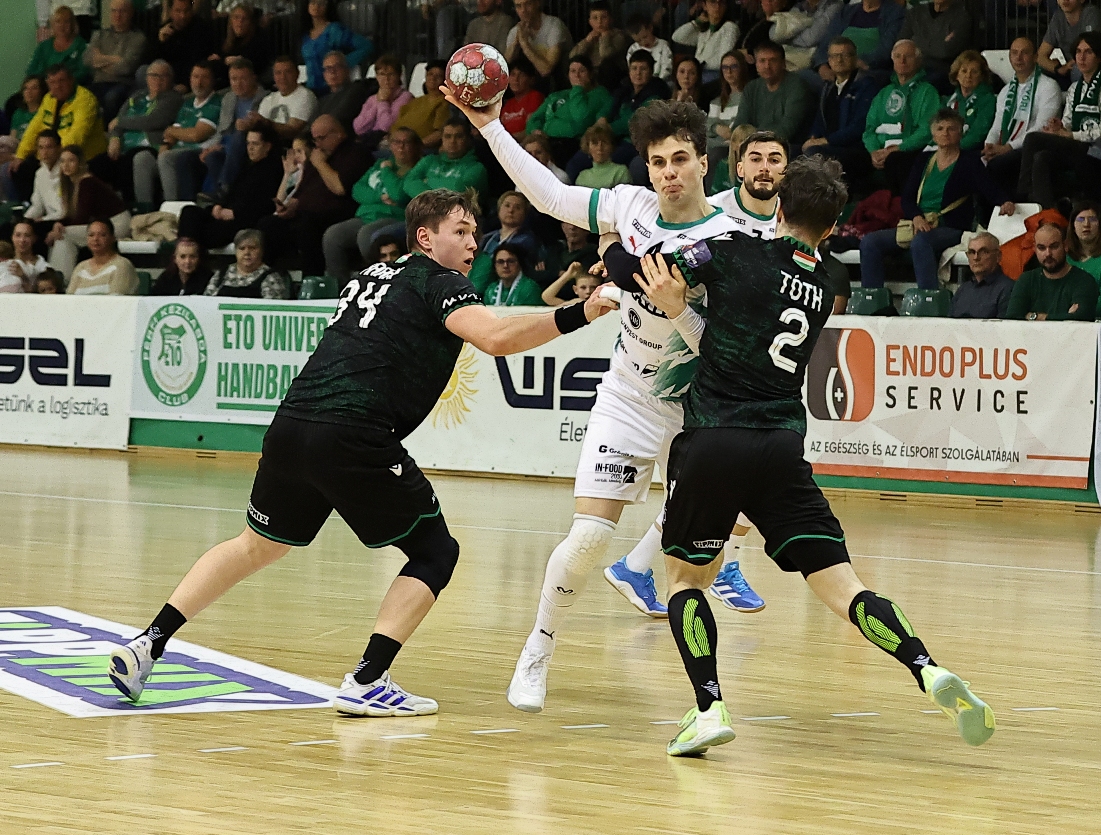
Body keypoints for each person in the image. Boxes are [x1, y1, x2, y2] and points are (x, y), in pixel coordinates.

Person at [105, 188, 617, 718]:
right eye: (461, 232)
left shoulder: (370, 274)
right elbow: (496, 338)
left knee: (256, 544)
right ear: (425, 237)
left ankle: (149, 642)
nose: (473, 244)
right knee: (435, 553)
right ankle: (368, 680)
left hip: (292, 424)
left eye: (474, 233)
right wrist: (583, 312)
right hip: (353, 432)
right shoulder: (441, 281)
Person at [601, 155, 995, 756]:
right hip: (782, 448)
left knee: (684, 580)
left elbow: (642, 273)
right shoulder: (824, 286)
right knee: (845, 588)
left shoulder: (732, 250)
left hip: (715, 439)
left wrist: (609, 243)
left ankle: (708, 708)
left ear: (778, 208)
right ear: (833, 227)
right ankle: (926, 667)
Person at [445, 92, 770, 711]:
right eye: (658, 162)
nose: (669, 173)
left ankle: (705, 697)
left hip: (701, 410)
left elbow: (722, 336)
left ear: (704, 163)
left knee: (697, 559)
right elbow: (549, 194)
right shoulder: (630, 204)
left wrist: (641, 278)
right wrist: (490, 127)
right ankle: (538, 648)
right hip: (630, 397)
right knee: (590, 536)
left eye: (680, 159)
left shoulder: (733, 239)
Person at [860, 109, 1014, 290]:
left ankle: (929, 297)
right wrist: (917, 218)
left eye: (951, 129)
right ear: (933, 134)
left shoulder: (969, 161)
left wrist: (1004, 201)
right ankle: (872, 297)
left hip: (950, 227)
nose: (945, 133)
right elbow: (907, 198)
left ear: (960, 133)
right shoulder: (924, 160)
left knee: (921, 242)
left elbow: (989, 187)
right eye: (940, 129)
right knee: (870, 242)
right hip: (919, 225)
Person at [257, 115, 370, 276]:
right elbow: (302, 191)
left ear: (338, 133)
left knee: (306, 225)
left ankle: (311, 279)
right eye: (314, 139)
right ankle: (271, 279)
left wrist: (321, 164)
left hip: (336, 212)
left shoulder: (355, 153)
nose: (317, 144)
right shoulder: (318, 155)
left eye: (321, 138)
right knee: (268, 224)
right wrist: (290, 207)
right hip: (304, 213)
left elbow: (339, 188)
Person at [322, 127, 422, 282]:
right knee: (332, 236)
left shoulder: (418, 168)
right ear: (390, 145)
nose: (401, 147)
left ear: (415, 146)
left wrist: (387, 171)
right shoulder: (380, 164)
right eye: (396, 142)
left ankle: (373, 282)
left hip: (394, 216)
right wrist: (379, 196)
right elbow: (357, 190)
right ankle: (340, 287)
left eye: (406, 142)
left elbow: (399, 195)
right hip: (367, 215)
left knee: (366, 235)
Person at [1017, 33, 1101, 209]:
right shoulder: (1074, 88)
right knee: (1041, 158)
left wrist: (1071, 135)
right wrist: (1059, 127)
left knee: (1033, 139)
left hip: (1095, 150)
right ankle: (1047, 213)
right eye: (1078, 51)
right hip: (1077, 148)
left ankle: (1023, 194)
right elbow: (1067, 122)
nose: (1081, 57)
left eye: (1088, 52)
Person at [981, 38, 1063, 198]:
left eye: (1024, 53)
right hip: (1006, 148)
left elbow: (1041, 128)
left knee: (998, 165)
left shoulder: (1048, 86)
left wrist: (1009, 147)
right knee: (973, 163)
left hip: (1034, 148)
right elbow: (997, 125)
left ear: (1035, 57)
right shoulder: (1005, 91)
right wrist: (989, 146)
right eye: (1014, 53)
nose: (1018, 58)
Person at [178, 125, 284, 249]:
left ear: (267, 146)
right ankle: (185, 250)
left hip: (243, 220)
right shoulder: (247, 166)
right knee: (189, 212)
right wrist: (219, 206)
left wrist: (235, 213)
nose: (250, 148)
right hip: (226, 213)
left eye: (255, 144)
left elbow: (266, 205)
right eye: (248, 143)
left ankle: (189, 251)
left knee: (205, 231)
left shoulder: (274, 171)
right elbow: (232, 192)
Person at [101, 60, 184, 209]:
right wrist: (114, 138)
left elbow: (152, 121)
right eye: (154, 75)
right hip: (124, 144)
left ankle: (137, 207)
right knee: (98, 162)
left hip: (150, 146)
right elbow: (116, 123)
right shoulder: (137, 96)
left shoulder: (173, 98)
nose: (158, 80)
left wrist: (120, 121)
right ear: (146, 78)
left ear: (171, 79)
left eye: (163, 76)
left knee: (130, 159)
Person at [862, 40, 940, 194]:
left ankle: (898, 205)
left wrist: (899, 148)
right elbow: (869, 130)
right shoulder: (884, 93)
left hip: (909, 151)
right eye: (898, 56)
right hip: (881, 151)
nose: (902, 61)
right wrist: (874, 152)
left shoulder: (928, 92)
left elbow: (927, 130)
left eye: (908, 56)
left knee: (895, 160)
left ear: (918, 61)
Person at [48, 145, 132, 281]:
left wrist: (59, 230)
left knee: (63, 236)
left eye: (71, 161)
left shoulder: (87, 182)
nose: (66, 165)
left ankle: (60, 280)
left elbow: (82, 217)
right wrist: (59, 224)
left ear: (80, 163)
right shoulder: (72, 184)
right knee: (60, 235)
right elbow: (73, 215)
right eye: (62, 161)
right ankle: (57, 278)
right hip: (102, 224)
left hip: (117, 224)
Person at [802, 37, 877, 187]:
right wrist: (813, 137)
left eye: (845, 55)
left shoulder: (866, 86)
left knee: (815, 153)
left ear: (855, 58)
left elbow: (859, 127)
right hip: (828, 146)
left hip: (854, 150)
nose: (839, 60)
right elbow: (819, 120)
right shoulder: (828, 88)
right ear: (829, 60)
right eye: (834, 56)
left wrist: (826, 141)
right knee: (788, 151)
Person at [13, 65, 108, 182]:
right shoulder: (48, 99)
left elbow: (77, 134)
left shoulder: (85, 100)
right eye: (52, 82)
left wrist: (55, 156)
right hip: (53, 153)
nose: (57, 86)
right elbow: (34, 127)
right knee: (19, 169)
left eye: (61, 81)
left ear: (71, 80)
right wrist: (21, 155)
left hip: (85, 157)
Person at [198, 58, 268, 204]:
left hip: (251, 142)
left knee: (240, 134)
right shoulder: (228, 98)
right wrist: (212, 146)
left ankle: (225, 188)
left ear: (253, 78)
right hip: (228, 143)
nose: (238, 84)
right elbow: (222, 130)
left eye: (243, 79)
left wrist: (249, 125)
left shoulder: (265, 98)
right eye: (234, 79)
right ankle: (223, 197)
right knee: (212, 156)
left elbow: (264, 128)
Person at [525, 56, 614, 166]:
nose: (577, 75)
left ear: (590, 74)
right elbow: (534, 119)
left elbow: (581, 118)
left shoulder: (599, 94)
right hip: (545, 141)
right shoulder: (557, 95)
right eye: (573, 71)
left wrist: (577, 89)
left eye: (582, 71)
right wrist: (535, 130)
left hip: (572, 143)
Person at [157, 61, 222, 201]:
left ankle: (172, 206)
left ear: (213, 81)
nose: (199, 82)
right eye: (195, 77)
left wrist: (170, 130)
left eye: (204, 77)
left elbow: (196, 135)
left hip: (198, 151)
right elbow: (172, 133)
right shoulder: (187, 103)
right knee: (143, 158)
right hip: (177, 149)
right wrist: (166, 144)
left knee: (166, 158)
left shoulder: (217, 102)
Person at [1006, 221, 1098, 319]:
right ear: (1034, 249)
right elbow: (1012, 318)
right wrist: (1065, 317)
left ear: (1065, 246)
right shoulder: (1026, 279)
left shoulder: (1084, 281)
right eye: (1041, 248)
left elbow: (1080, 318)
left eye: (1054, 247)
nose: (1048, 254)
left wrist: (1034, 317)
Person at [733, 41, 814, 145]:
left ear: (783, 63)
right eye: (762, 61)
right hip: (752, 145)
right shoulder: (751, 87)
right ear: (756, 65)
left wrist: (754, 140)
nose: (767, 66)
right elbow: (739, 126)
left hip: (786, 146)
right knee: (719, 152)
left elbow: (787, 130)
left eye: (773, 60)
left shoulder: (797, 86)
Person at [811, 0, 905, 82]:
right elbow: (824, 44)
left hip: (867, 72)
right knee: (804, 77)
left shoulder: (895, 12)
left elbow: (886, 49)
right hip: (834, 71)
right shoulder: (846, 11)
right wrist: (822, 66)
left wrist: (852, 62)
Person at [84, 0, 147, 118]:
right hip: (98, 82)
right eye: (114, 11)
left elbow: (126, 67)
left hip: (122, 84)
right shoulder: (99, 35)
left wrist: (100, 60)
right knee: (82, 96)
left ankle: (111, 128)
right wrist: (115, 59)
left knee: (111, 98)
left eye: (122, 11)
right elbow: (87, 60)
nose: (117, 15)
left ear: (130, 13)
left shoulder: (138, 38)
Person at [403, 120, 489, 206]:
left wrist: (427, 182)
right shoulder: (429, 160)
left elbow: (457, 192)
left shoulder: (477, 168)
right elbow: (408, 182)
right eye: (448, 136)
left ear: (468, 139)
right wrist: (445, 187)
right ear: (442, 139)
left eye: (459, 136)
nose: (452, 141)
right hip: (424, 212)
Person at [299, 0, 373, 96]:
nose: (316, 6)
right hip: (311, 90)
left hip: (331, 89)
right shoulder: (305, 34)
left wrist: (343, 62)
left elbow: (366, 46)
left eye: (321, 3)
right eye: (313, 2)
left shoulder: (335, 30)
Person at [897, 0, 972, 90]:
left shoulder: (961, 17)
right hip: (911, 66)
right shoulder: (915, 12)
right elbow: (901, 44)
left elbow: (945, 51)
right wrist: (939, 42)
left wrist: (915, 40)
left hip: (941, 71)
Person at [203, 227, 288, 298]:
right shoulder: (221, 274)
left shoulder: (271, 277)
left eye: (252, 248)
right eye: (242, 248)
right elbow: (207, 301)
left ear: (261, 251)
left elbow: (271, 310)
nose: (246, 252)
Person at [253, 55, 318, 144]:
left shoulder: (305, 96)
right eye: (278, 73)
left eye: (288, 72)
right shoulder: (268, 99)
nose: (283, 77)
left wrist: (266, 123)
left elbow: (292, 130)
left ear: (297, 74)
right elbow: (260, 129)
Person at [156, 0, 219, 92]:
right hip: (165, 78)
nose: (183, 16)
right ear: (170, 11)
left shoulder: (201, 28)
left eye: (186, 11)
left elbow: (197, 60)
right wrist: (160, 42)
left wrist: (185, 84)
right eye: (178, 11)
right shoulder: (164, 30)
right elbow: (153, 61)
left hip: (189, 80)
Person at [949, 232, 1015, 318]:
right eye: (972, 252)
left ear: (998, 256)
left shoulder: (1008, 289)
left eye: (984, 252)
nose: (976, 258)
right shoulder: (963, 289)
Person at [66, 217, 139, 295]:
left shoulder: (122, 265)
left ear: (112, 238)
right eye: (91, 235)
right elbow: (69, 297)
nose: (95, 239)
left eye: (102, 235)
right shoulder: (81, 267)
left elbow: (117, 298)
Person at [352, 54, 413, 148]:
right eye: (382, 74)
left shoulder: (405, 97)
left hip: (389, 145)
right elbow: (358, 128)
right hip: (369, 142)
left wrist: (383, 102)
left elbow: (386, 127)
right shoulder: (372, 99)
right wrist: (377, 103)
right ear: (376, 76)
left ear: (399, 76)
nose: (386, 79)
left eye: (391, 74)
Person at [672, 0, 740, 84]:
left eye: (721, 3)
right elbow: (677, 37)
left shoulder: (730, 27)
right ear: (704, 5)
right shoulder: (704, 30)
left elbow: (723, 59)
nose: (717, 6)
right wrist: (697, 22)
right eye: (713, 2)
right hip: (699, 72)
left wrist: (700, 65)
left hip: (715, 73)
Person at [1038, 0, 1101, 89]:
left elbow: (1091, 49)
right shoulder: (1058, 17)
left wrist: (1074, 62)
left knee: (1077, 70)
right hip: (1069, 68)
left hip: (1090, 65)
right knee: (1040, 70)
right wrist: (1057, 68)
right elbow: (1040, 56)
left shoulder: (1091, 13)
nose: (1065, 0)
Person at [505, 0, 573, 82]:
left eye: (528, 4)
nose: (523, 10)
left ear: (537, 3)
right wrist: (515, 43)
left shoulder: (553, 25)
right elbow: (504, 66)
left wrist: (524, 44)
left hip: (561, 80)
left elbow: (546, 70)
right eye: (519, 6)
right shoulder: (516, 30)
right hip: (530, 83)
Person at [389, 60, 450, 152]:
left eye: (438, 76)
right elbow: (397, 125)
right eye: (430, 74)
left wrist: (416, 146)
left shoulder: (444, 103)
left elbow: (440, 133)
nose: (432, 78)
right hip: (395, 144)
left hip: (417, 150)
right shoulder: (415, 101)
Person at [570, 0, 632, 88]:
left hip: (611, 74)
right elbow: (572, 56)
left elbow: (605, 54)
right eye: (595, 18)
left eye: (604, 17)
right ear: (590, 21)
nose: (599, 22)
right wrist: (587, 41)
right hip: (591, 73)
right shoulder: (591, 37)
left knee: (607, 65)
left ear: (610, 19)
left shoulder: (619, 36)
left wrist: (605, 37)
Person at [944, 52, 996, 152]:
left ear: (982, 76)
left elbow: (978, 134)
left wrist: (952, 148)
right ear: (956, 74)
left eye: (974, 72)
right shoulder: (948, 101)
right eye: (964, 71)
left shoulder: (988, 100)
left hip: (970, 152)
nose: (968, 75)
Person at [21, 131, 67, 242]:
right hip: (46, 220)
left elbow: (65, 210)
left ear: (59, 148)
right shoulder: (40, 174)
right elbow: (37, 205)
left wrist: (43, 219)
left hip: (64, 220)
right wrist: (25, 220)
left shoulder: (67, 171)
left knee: (35, 231)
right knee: (14, 228)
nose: (44, 152)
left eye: (49, 147)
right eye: (41, 148)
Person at [27, 6, 90, 85]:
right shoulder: (44, 46)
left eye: (66, 21)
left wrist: (62, 81)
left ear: (72, 24)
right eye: (58, 21)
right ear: (52, 25)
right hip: (45, 86)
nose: (62, 25)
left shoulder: (80, 45)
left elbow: (83, 72)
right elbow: (31, 71)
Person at [214, 3, 274, 85]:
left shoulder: (259, 37)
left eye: (244, 19)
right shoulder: (224, 36)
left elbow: (257, 64)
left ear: (250, 22)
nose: (240, 22)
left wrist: (232, 61)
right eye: (236, 17)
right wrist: (224, 60)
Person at [316, 52, 372, 136]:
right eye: (328, 68)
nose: (332, 72)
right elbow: (310, 124)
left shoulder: (356, 90)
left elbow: (337, 118)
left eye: (337, 67)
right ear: (324, 74)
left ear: (347, 70)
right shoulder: (322, 101)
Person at [474, 241, 545, 305]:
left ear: (520, 264)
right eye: (500, 262)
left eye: (511, 261)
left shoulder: (530, 288)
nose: (505, 266)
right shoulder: (491, 290)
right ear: (495, 266)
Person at [706, 51, 747, 152]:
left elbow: (737, 133)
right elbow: (707, 134)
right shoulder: (716, 102)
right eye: (725, 67)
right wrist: (716, 128)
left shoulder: (749, 97)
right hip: (718, 150)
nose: (729, 71)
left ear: (742, 68)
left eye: (734, 67)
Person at [575, 123, 632, 188]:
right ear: (588, 147)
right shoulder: (582, 177)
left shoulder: (621, 172)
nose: (600, 147)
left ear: (612, 146)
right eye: (595, 143)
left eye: (604, 142)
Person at [500, 60, 546, 138]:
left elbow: (531, 130)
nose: (516, 79)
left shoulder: (535, 97)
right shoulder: (509, 103)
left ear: (531, 80)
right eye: (513, 74)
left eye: (522, 75)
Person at [0, 223, 50, 293]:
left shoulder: (44, 267)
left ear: (34, 238)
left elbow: (44, 294)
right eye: (18, 235)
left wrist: (23, 277)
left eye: (27, 236)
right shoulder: (4, 261)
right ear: (12, 237)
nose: (22, 240)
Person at [1066, 201, 1101, 297]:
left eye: (1092, 219)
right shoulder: (1064, 258)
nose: (1086, 224)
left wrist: (1083, 305)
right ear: (1073, 226)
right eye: (1081, 219)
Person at [626, 12, 673, 82]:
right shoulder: (633, 49)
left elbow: (667, 67)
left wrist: (657, 81)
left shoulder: (663, 45)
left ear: (650, 28)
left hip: (660, 82)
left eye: (645, 37)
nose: (643, 42)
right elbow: (632, 69)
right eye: (639, 41)